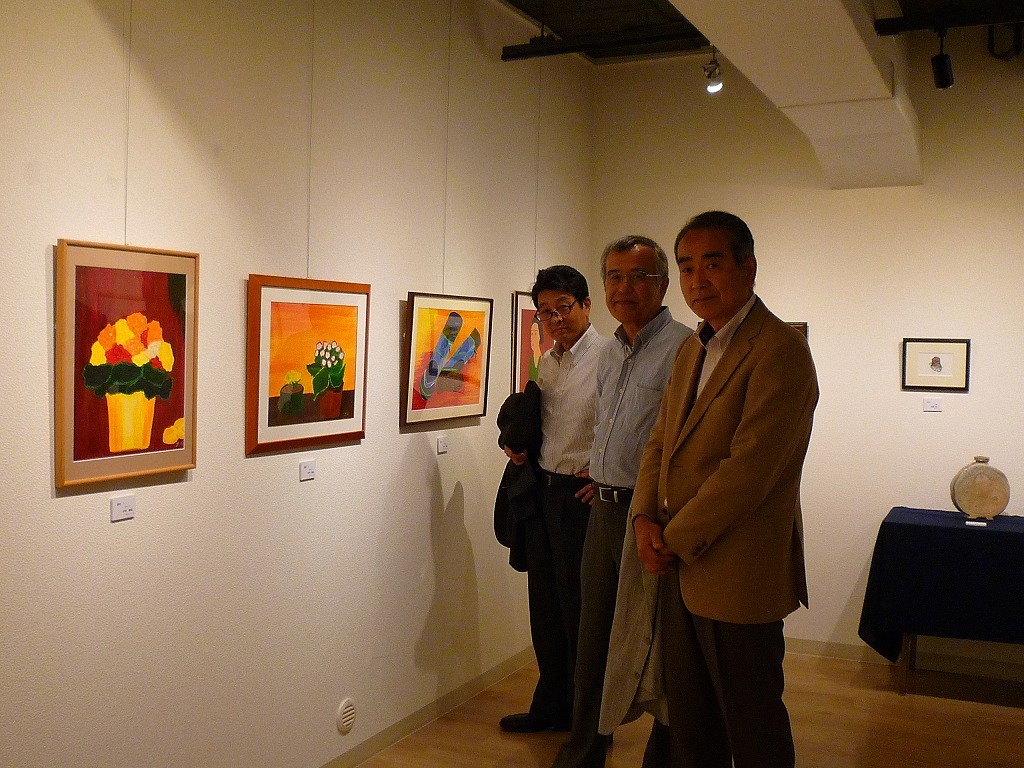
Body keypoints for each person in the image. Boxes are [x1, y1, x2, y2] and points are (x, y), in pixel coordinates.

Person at [631, 211, 819, 768]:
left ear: (749, 267)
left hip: (738, 572)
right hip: (681, 564)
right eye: (687, 267)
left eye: (711, 264)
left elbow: (749, 473)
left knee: (753, 724)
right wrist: (642, 519)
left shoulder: (779, 350)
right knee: (691, 720)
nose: (697, 281)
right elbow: (659, 441)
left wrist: (669, 538)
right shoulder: (694, 347)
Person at [550, 236, 690, 768]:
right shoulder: (610, 352)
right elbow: (611, 423)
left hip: (651, 515)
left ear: (662, 284)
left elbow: (680, 441)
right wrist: (598, 467)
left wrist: (647, 504)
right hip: (604, 512)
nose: (623, 288)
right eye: (614, 276)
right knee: (594, 637)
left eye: (637, 276)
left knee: (656, 640)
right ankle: (586, 749)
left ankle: (664, 755)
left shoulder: (684, 348)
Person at [499, 265, 609, 733]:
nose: (556, 319)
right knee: (545, 607)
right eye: (546, 311)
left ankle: (590, 724)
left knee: (583, 611)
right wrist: (519, 447)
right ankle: (551, 705)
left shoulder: (609, 357)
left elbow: (633, 424)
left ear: (586, 305)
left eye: (564, 307)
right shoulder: (547, 361)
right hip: (542, 492)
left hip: (582, 499)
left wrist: (605, 474)